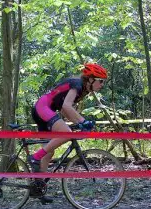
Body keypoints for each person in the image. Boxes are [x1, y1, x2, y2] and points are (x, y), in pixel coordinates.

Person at [27, 63, 108, 201]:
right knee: (66, 133)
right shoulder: (77, 84)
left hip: (43, 109)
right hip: (43, 107)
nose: (102, 85)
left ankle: (37, 187)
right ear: (90, 79)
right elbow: (66, 106)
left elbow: (66, 110)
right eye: (100, 81)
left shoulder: (83, 90)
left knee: (49, 151)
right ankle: (35, 158)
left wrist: (80, 123)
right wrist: (83, 121)